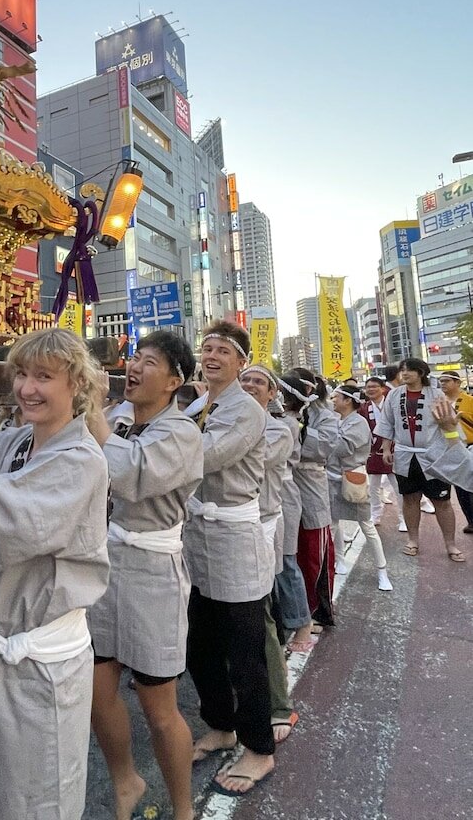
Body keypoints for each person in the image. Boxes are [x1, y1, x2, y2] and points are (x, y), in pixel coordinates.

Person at [0, 328, 110, 820]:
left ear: (76, 385)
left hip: (34, 662)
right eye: (20, 374)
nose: (26, 388)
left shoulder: (80, 461)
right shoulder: (13, 440)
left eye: (44, 376)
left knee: (31, 799)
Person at [87, 331, 202, 820]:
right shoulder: (114, 418)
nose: (134, 367)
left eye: (149, 361)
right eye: (134, 357)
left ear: (175, 381)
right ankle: (125, 780)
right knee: (96, 692)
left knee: (159, 708)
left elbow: (133, 477)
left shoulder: (181, 431)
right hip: (103, 567)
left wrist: (91, 416)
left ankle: (183, 808)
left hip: (153, 575)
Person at [183, 321, 274, 797]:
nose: (212, 355)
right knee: (199, 645)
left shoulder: (247, 409)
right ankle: (221, 726)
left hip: (234, 540)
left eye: (223, 350)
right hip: (196, 538)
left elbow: (205, 455)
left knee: (245, 653)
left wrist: (147, 447)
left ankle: (259, 747)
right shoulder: (202, 402)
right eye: (207, 348)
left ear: (241, 362)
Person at [240, 365, 300, 745]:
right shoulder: (215, 417)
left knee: (260, 615)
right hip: (216, 529)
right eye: (243, 380)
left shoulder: (280, 429)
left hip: (258, 527)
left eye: (257, 382)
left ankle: (279, 703)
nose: (248, 386)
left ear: (272, 393)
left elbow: (242, 460)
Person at [374, 357, 465, 562]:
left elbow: (450, 425)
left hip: (433, 455)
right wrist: (386, 448)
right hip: (405, 454)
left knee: (441, 500)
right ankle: (413, 540)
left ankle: (450, 544)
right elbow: (387, 423)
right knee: (409, 499)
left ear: (421, 373)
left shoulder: (436, 394)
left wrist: (453, 449)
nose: (404, 374)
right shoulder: (395, 395)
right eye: (402, 370)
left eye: (410, 370)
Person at [288, 367, 339, 627]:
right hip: (283, 488)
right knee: (288, 554)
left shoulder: (324, 414)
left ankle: (317, 608)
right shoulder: (277, 409)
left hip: (310, 486)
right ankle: (293, 609)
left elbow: (325, 447)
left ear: (310, 388)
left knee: (313, 555)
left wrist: (294, 426)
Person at [328, 385, 392, 590]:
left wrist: (326, 429)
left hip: (353, 479)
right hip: (332, 478)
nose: (332, 400)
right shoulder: (339, 420)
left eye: (335, 397)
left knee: (366, 525)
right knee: (334, 523)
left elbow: (342, 448)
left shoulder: (358, 422)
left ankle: (382, 571)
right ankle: (340, 560)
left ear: (347, 401)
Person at [273, 375, 315, 655]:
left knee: (287, 560)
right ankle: (287, 618)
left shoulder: (287, 424)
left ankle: (303, 624)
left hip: (283, 494)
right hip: (272, 492)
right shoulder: (278, 419)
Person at [360, 376, 406, 529]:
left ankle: (403, 518)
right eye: (368, 387)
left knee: (398, 487)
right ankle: (375, 515)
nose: (371, 390)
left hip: (394, 451)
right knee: (372, 488)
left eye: (374, 387)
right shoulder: (364, 408)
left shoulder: (393, 405)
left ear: (383, 389)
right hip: (373, 452)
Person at [437, 371, 473, 533]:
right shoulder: (438, 402)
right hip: (451, 448)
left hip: (470, 446)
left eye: (447, 381)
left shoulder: (469, 401)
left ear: (458, 383)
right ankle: (470, 520)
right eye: (441, 381)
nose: (443, 384)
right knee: (461, 486)